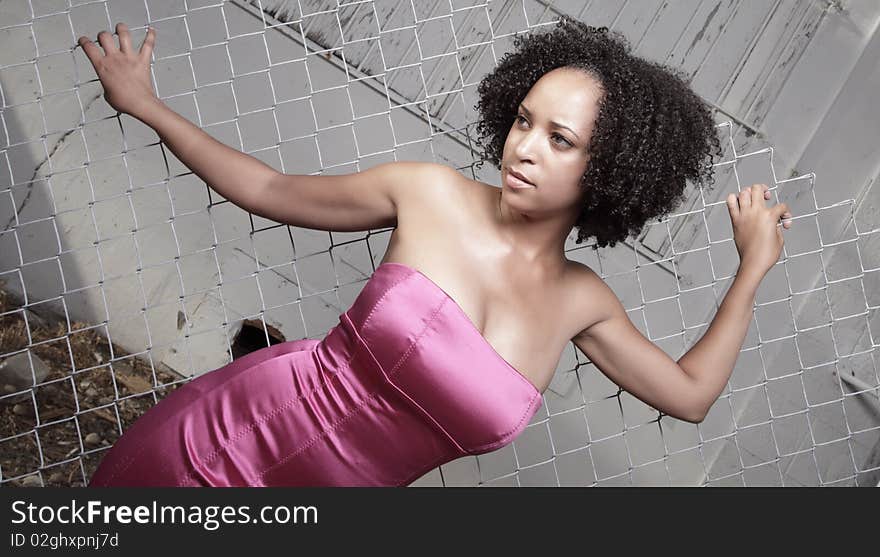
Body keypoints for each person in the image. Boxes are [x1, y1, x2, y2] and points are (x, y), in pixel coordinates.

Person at [81, 17, 792, 486]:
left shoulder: (583, 302)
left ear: (609, 172)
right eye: (523, 120)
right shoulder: (429, 193)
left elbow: (692, 396)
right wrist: (147, 104)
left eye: (560, 139)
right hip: (225, 449)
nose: (524, 148)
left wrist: (751, 270)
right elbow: (268, 186)